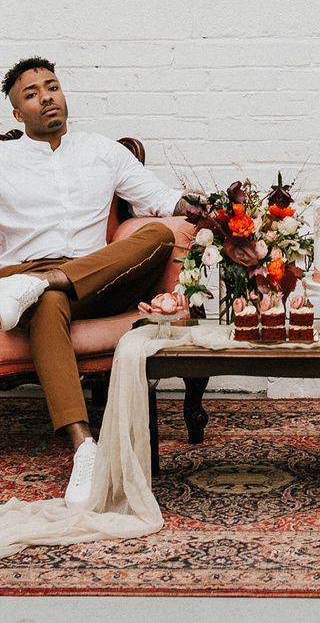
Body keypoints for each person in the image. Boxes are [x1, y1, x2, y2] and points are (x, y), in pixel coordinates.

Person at [0, 56, 188, 509]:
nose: (47, 97)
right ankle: (85, 447)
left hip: (99, 273)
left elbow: (162, 201)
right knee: (47, 303)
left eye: (52, 86)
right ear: (16, 112)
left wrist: (213, 210)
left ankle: (50, 281)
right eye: (32, 93)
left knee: (159, 233)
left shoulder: (103, 150)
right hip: (19, 276)